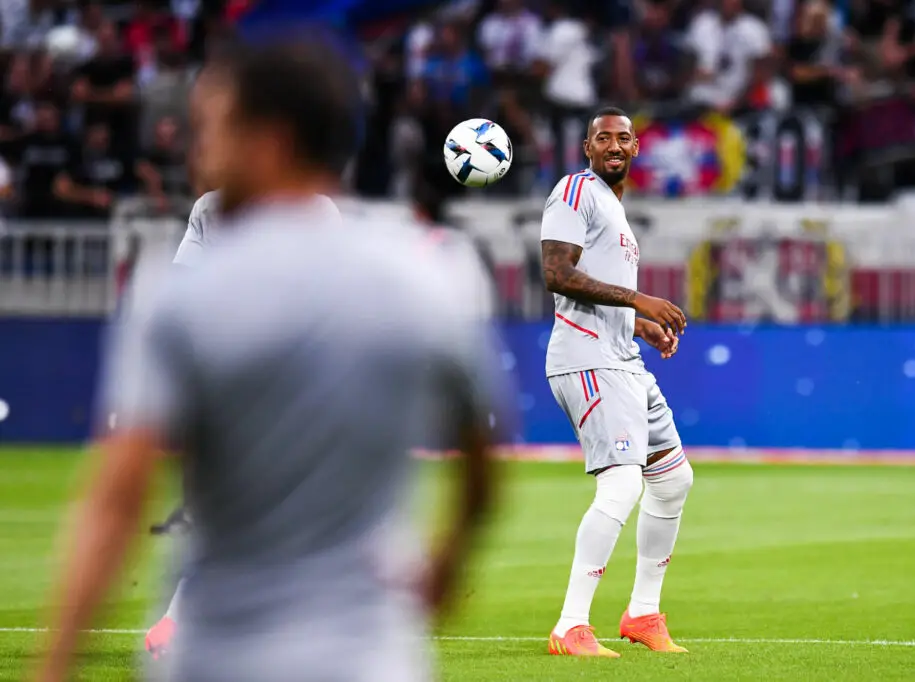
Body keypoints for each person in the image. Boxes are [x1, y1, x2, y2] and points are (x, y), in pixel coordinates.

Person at [32, 35, 504, 682]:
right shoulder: (430, 277)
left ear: (270, 139)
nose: (199, 151)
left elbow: (118, 501)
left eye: (214, 130)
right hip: (370, 658)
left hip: (219, 661)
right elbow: (481, 463)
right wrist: (448, 564)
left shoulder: (177, 299)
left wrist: (54, 665)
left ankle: (175, 614)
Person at [540, 106, 693, 657]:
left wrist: (638, 324)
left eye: (623, 138)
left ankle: (643, 614)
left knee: (673, 480)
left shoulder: (614, 208)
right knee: (623, 483)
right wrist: (639, 299)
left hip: (623, 359)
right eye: (602, 137)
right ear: (587, 148)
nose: (613, 145)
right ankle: (571, 626)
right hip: (587, 360)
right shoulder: (575, 191)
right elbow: (557, 273)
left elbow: (598, 286)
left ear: (634, 149)